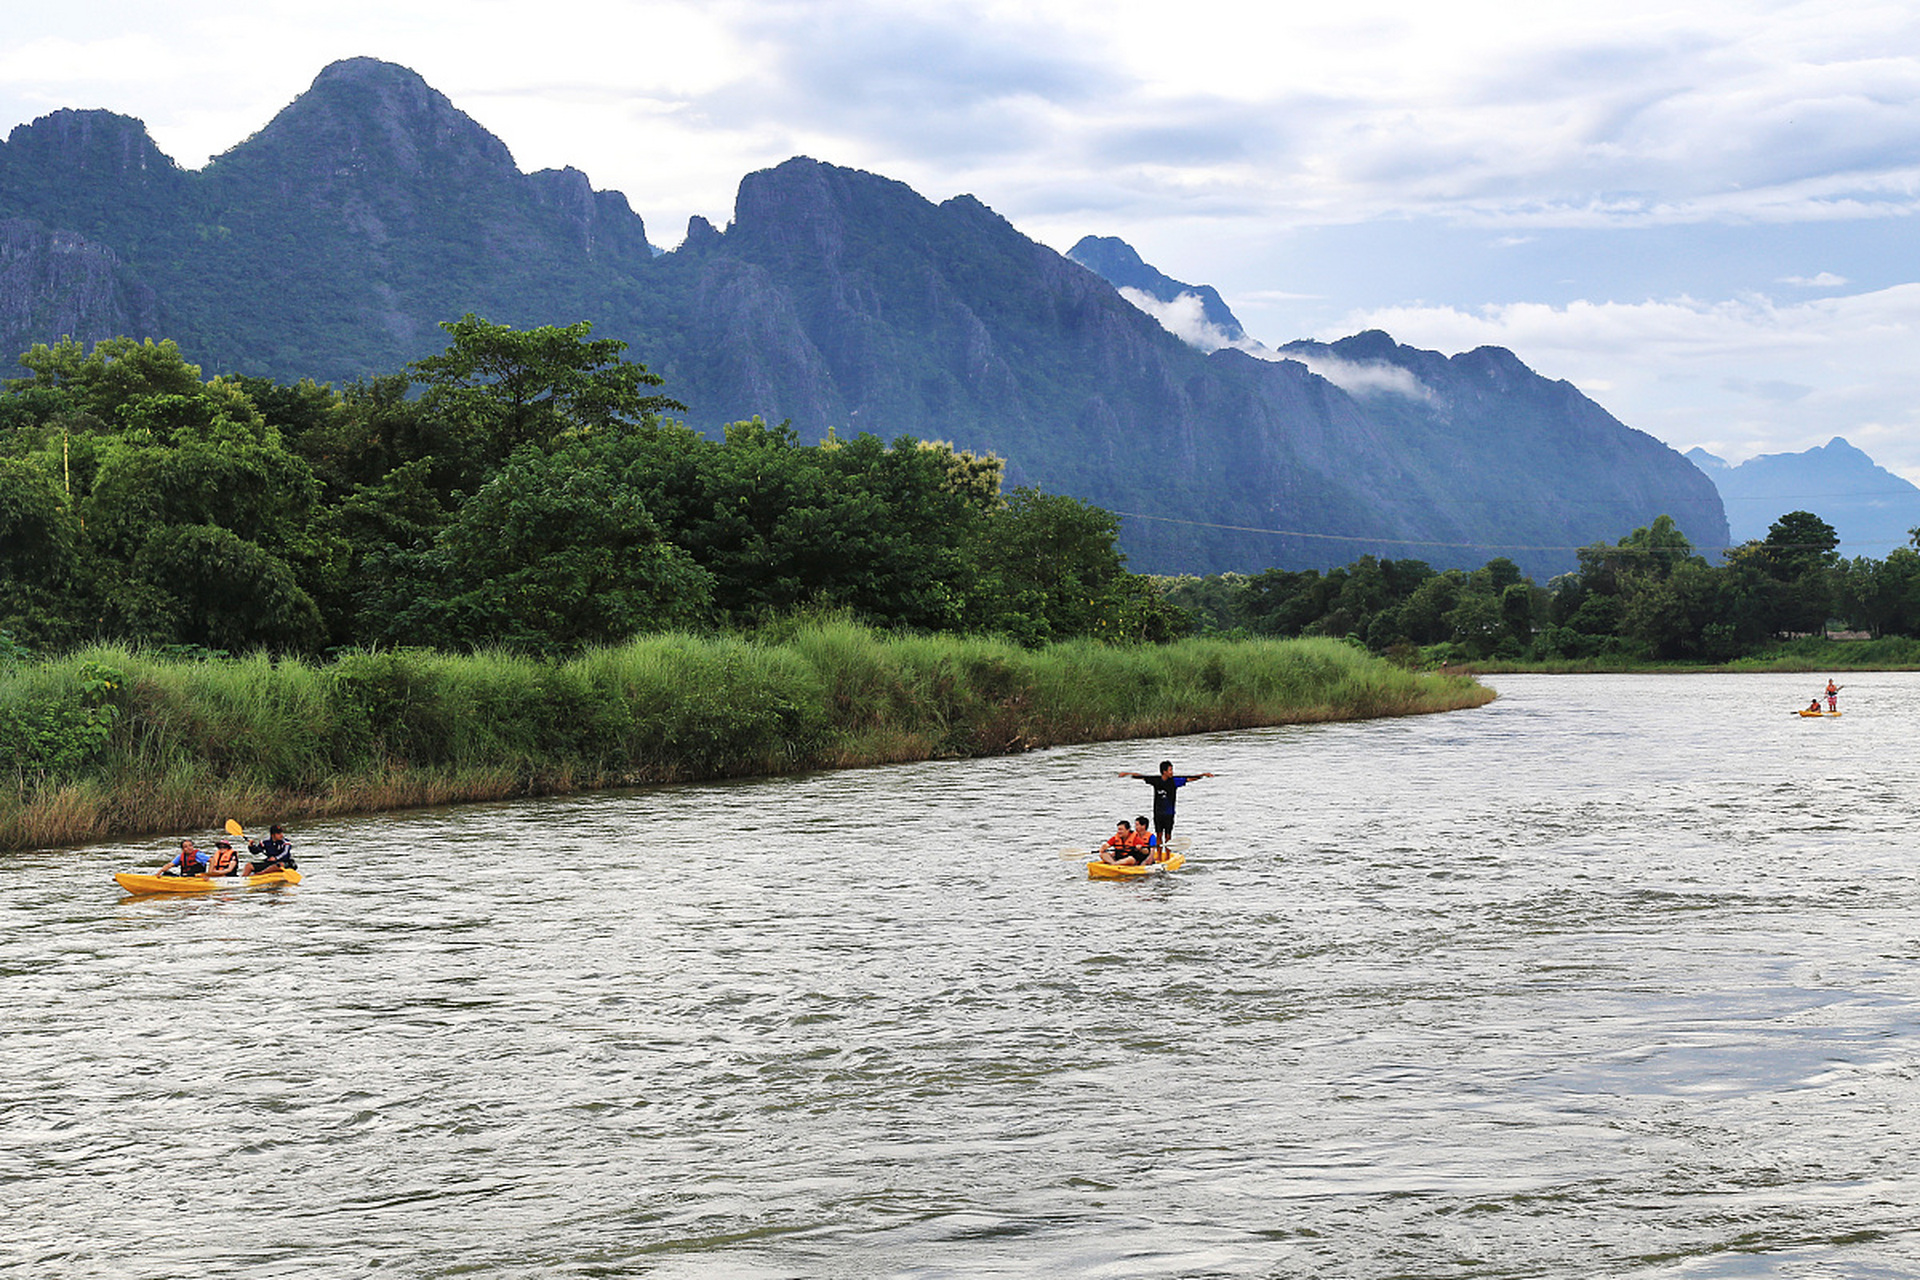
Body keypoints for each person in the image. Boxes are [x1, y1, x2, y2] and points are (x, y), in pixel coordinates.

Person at [1118, 760, 1214, 849]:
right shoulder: (1156, 780)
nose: (1172, 772)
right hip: (1158, 813)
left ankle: (1167, 855)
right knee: (1159, 835)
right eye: (1170, 770)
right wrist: (1127, 774)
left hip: (1169, 813)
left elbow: (1190, 778)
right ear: (1164, 772)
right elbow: (1141, 776)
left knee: (1168, 836)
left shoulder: (1174, 781)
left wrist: (1203, 775)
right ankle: (1159, 856)